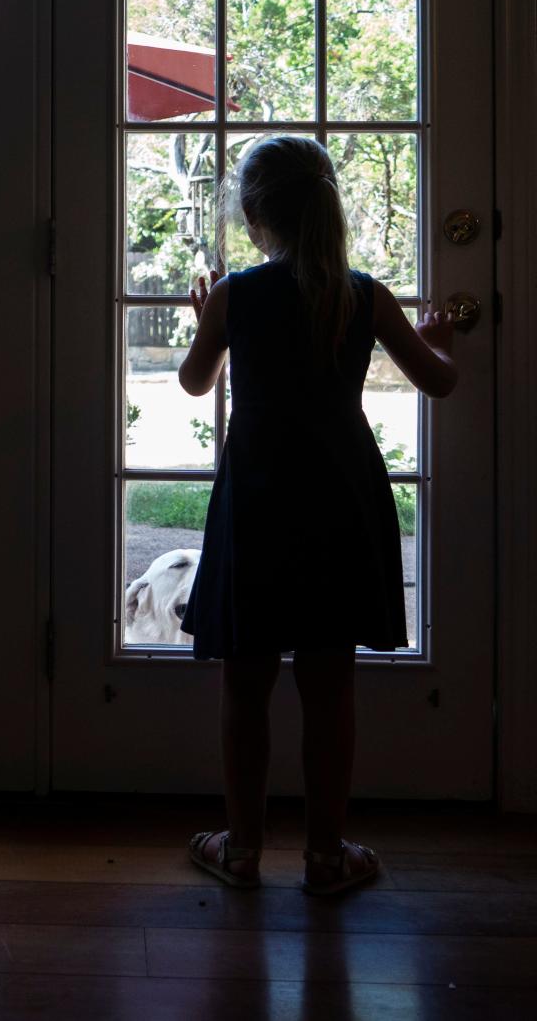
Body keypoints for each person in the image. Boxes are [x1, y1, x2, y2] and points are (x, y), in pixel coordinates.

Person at [178, 135, 457, 896]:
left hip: (260, 493)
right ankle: (327, 857)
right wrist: (441, 337)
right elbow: (440, 382)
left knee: (247, 680)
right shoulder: (363, 294)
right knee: (331, 686)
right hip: (339, 491)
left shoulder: (238, 293)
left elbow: (194, 382)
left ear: (254, 216)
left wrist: (210, 318)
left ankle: (240, 849)